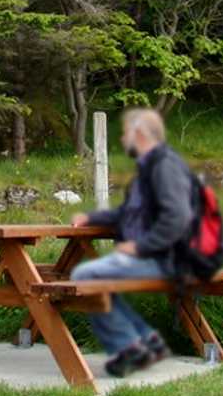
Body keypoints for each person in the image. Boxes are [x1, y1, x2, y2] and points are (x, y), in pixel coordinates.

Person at [69, 107, 195, 377]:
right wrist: (89, 218)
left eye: (126, 132)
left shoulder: (164, 166)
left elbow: (178, 217)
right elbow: (125, 214)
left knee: (86, 274)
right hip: (155, 256)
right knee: (95, 274)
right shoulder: (148, 169)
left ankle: (130, 349)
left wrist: (140, 247)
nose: (123, 138)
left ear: (139, 134)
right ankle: (147, 341)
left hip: (165, 259)